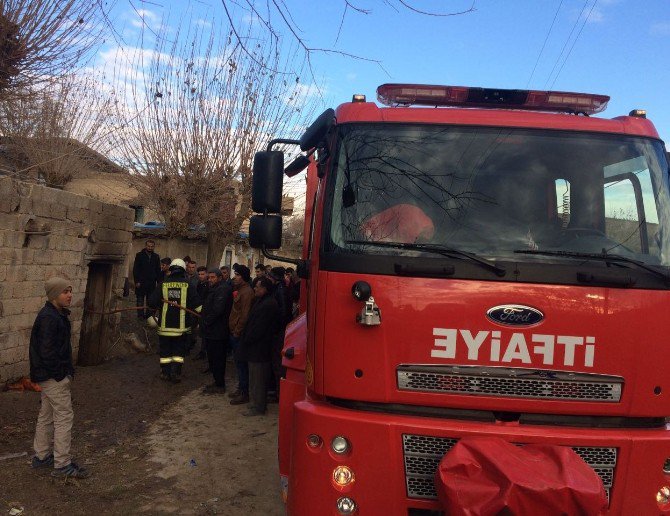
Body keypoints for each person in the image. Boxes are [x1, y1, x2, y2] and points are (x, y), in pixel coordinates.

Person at [30, 277, 90, 479]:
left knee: (46, 415)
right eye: (66, 291)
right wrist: (61, 375)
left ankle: (41, 456)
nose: (70, 295)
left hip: (48, 376)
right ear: (54, 295)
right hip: (52, 377)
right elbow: (47, 352)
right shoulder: (49, 318)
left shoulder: (57, 315)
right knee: (64, 417)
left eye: (70, 291)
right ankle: (62, 464)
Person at [148, 259, 202, 383]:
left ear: (171, 270)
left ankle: (165, 373)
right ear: (184, 270)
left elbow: (151, 302)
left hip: (165, 328)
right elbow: (197, 306)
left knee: (165, 352)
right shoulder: (188, 284)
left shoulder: (163, 284)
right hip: (181, 329)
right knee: (178, 352)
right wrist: (204, 316)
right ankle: (176, 373)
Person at [237, 276, 279, 416]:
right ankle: (255, 404)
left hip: (260, 349)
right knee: (254, 378)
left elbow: (259, 328)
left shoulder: (268, 304)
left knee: (258, 379)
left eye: (258, 287)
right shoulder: (261, 301)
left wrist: (248, 339)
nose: (255, 288)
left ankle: (258, 407)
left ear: (265, 289)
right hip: (256, 348)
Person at [200, 268, 233, 394]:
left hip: (218, 331)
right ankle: (216, 381)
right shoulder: (213, 289)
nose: (210, 280)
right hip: (211, 331)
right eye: (209, 277)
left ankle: (220, 385)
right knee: (213, 358)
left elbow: (217, 310)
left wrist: (206, 321)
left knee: (218, 359)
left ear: (219, 278)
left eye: (213, 277)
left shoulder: (223, 289)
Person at [228, 265, 254, 405]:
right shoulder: (240, 290)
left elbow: (244, 315)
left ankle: (245, 392)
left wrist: (237, 331)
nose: (235, 277)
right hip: (234, 332)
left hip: (239, 334)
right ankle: (241, 388)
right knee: (238, 364)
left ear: (243, 276)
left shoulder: (247, 292)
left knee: (242, 364)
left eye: (237, 274)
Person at [132, 239, 161, 319]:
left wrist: (158, 283)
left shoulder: (156, 257)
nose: (150, 248)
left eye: (152, 246)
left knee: (150, 300)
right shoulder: (139, 255)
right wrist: (137, 281)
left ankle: (149, 316)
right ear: (146, 246)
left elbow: (158, 270)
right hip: (141, 282)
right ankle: (140, 315)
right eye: (148, 246)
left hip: (151, 283)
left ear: (154, 247)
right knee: (140, 299)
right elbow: (136, 269)